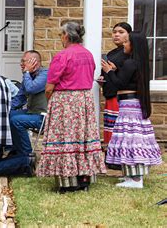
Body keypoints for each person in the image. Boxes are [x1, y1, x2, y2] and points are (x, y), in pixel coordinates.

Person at [38, 22, 105, 193]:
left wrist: (51, 99)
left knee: (65, 137)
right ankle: (84, 178)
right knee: (83, 138)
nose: (60, 38)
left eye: (61, 34)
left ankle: (68, 181)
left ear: (66, 36)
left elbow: (49, 87)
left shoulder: (63, 56)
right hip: (84, 99)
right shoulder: (88, 55)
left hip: (65, 100)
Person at [102, 32, 162, 189]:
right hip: (132, 105)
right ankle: (131, 176)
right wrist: (115, 70)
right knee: (131, 139)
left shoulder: (130, 63)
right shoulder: (137, 63)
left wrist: (109, 72)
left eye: (127, 42)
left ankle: (136, 179)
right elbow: (125, 79)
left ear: (133, 45)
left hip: (129, 106)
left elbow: (119, 84)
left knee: (131, 140)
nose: (124, 45)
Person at [97, 22, 132, 169]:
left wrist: (113, 70)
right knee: (109, 128)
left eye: (121, 32)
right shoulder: (112, 53)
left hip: (121, 96)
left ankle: (119, 159)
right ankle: (111, 157)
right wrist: (102, 79)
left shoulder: (129, 54)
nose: (116, 34)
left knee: (118, 129)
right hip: (109, 93)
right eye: (114, 32)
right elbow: (107, 72)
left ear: (128, 35)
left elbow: (127, 76)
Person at [10, 50, 48, 155]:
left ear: (34, 62)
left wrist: (26, 73)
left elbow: (31, 88)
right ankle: (16, 149)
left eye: (24, 61)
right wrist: (3, 110)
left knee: (16, 120)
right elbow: (19, 99)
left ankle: (27, 154)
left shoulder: (45, 74)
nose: (21, 64)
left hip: (43, 116)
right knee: (8, 115)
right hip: (31, 112)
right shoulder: (29, 76)